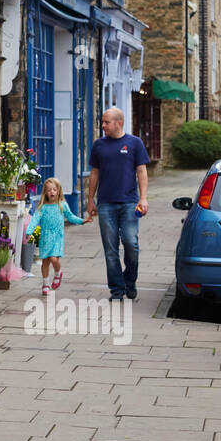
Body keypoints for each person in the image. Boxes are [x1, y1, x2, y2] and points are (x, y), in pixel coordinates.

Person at [84, 107, 150, 301]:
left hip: (129, 203)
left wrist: (143, 198)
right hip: (105, 205)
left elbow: (142, 171)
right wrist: (90, 199)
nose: (103, 126)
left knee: (131, 244)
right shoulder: (99, 145)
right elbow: (94, 173)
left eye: (106, 122)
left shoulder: (134, 143)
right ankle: (117, 290)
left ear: (118, 123)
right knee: (110, 249)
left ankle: (130, 281)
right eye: (102, 122)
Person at [24, 177, 86, 296]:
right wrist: (29, 231)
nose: (52, 192)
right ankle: (45, 284)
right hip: (45, 237)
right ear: (45, 193)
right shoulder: (42, 207)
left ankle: (58, 273)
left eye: (54, 189)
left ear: (58, 191)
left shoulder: (62, 205)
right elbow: (35, 219)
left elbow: (71, 216)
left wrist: (82, 221)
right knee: (45, 262)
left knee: (53, 259)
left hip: (57, 237)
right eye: (49, 190)